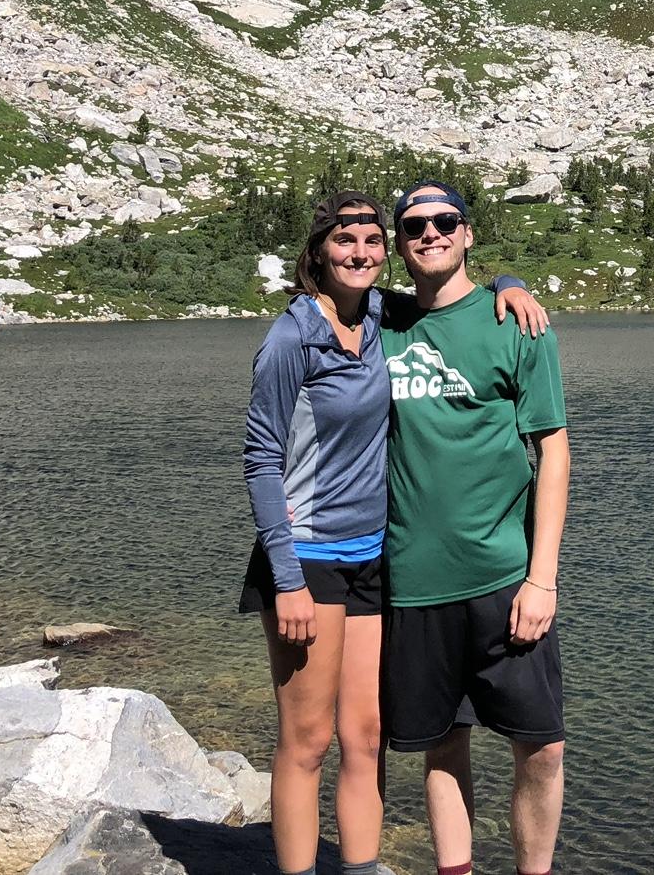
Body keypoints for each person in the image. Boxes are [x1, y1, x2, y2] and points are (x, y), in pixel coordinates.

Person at [241, 190, 548, 875]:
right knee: (307, 740)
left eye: (374, 242)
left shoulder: (383, 315)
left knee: (367, 735)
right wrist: (285, 578)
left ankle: (362, 867)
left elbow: (453, 296)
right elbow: (261, 458)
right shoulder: (294, 336)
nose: (361, 254)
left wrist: (510, 283)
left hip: (373, 558)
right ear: (319, 252)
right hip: (308, 558)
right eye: (346, 242)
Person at [380, 181, 570, 875]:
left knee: (542, 748)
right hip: (414, 582)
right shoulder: (383, 322)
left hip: (504, 577)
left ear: (466, 234)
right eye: (413, 226)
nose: (429, 233)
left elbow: (553, 450)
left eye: (444, 221)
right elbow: (321, 282)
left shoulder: (514, 323)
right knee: (442, 743)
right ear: (400, 245)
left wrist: (541, 578)